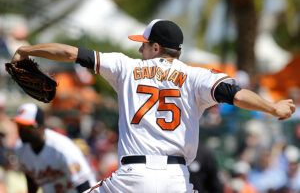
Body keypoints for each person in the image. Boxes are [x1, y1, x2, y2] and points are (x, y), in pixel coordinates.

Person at [10, 19, 295, 193]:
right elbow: (235, 94)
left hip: (132, 178)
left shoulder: (125, 66)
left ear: (156, 47)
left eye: (144, 44)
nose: (139, 49)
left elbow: (70, 52)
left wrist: (26, 50)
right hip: (176, 179)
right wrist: (272, 108)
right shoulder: (196, 75)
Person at [12, 103, 96, 193]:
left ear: (40, 127)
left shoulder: (62, 147)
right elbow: (31, 179)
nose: (21, 130)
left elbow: (84, 184)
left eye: (26, 126)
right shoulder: (20, 149)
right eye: (19, 125)